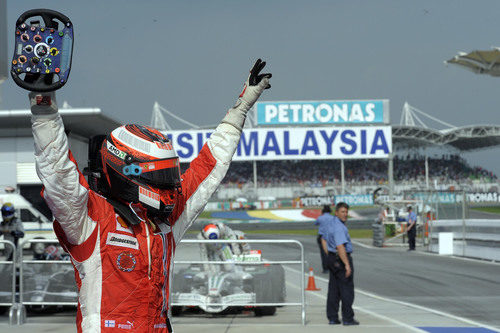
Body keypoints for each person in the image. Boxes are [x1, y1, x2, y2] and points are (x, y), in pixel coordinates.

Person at [27, 59, 271, 332]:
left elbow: (208, 168)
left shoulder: (166, 222)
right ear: (128, 173)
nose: (171, 187)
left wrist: (240, 109)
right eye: (161, 178)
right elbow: (58, 174)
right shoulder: (90, 219)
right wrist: (43, 105)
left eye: (170, 176)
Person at [321, 202, 359, 326]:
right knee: (346, 289)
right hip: (341, 259)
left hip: (332, 258)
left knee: (334, 290)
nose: (345, 214)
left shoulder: (330, 223)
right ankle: (348, 318)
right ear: (336, 212)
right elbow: (340, 246)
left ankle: (332, 317)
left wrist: (330, 255)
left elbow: (323, 239)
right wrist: (346, 264)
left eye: (346, 212)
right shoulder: (339, 227)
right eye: (342, 212)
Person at [314, 204, 333, 273]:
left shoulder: (320, 218)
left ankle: (325, 268)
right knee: (331, 252)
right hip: (330, 236)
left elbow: (315, 223)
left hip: (322, 236)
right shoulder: (332, 218)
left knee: (323, 253)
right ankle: (332, 267)